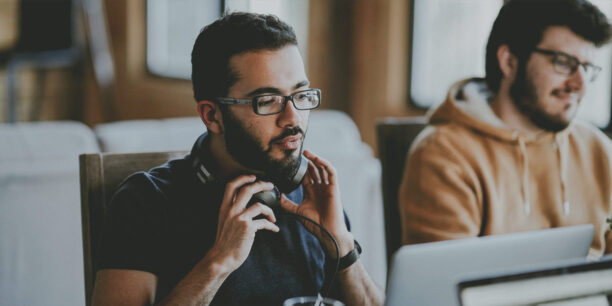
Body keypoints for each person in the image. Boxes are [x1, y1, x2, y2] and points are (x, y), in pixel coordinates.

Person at [92, 12, 384, 305]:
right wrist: (219, 262)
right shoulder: (145, 202)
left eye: (300, 94)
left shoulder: (312, 192)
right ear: (212, 116)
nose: (292, 118)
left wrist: (341, 245)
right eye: (267, 101)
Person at [399, 0, 612, 257]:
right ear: (509, 62)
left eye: (586, 68)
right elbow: (444, 289)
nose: (580, 84)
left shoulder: (598, 149)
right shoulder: (444, 154)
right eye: (563, 62)